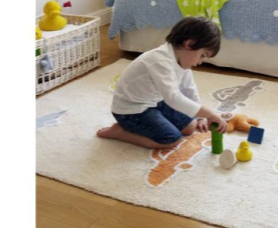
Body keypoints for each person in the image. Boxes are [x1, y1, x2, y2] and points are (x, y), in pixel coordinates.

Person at [97, 17, 228, 149]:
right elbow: (173, 98)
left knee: (190, 126)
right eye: (202, 55)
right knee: (171, 140)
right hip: (131, 110)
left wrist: (201, 117)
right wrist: (210, 114)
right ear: (189, 43)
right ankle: (120, 132)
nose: (200, 62)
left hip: (156, 102)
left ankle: (156, 120)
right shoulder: (159, 61)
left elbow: (189, 89)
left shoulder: (182, 61)